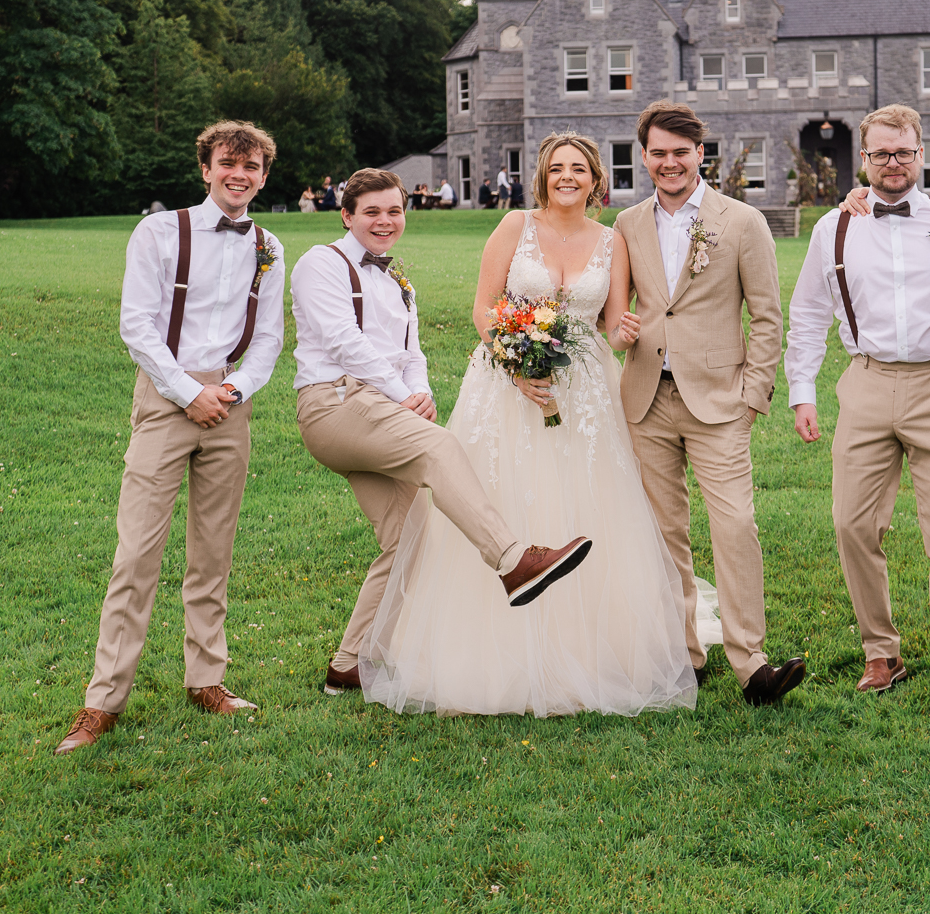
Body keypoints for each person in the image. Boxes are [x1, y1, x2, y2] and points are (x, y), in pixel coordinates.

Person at [343, 144, 694, 716]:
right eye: (556, 168)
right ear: (542, 178)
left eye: (578, 169)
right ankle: (482, 655)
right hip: (505, 383)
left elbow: (611, 329)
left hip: (584, 393)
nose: (566, 177)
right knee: (496, 496)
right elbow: (484, 309)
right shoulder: (514, 225)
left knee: (591, 504)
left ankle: (593, 654)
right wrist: (515, 362)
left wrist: (628, 332)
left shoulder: (613, 241)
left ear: (595, 180)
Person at [295, 169, 596, 704]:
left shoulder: (397, 280)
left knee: (410, 537)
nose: (385, 222)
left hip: (379, 407)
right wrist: (399, 393)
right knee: (441, 448)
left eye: (394, 211)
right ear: (346, 215)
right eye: (372, 212)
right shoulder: (323, 262)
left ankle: (349, 665)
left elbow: (413, 352)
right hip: (336, 403)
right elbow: (343, 340)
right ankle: (512, 560)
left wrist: (420, 392)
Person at [55, 121, 287, 754]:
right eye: (228, 163)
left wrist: (231, 393)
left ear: (264, 176)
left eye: (252, 166)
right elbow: (137, 325)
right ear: (206, 169)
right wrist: (191, 393)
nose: (240, 174)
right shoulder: (159, 231)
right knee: (136, 555)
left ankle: (206, 679)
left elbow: (268, 338)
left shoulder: (269, 245)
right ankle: (102, 701)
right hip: (166, 399)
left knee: (213, 552)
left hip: (230, 405)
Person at [609, 102, 806, 706]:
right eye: (658, 153)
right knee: (664, 533)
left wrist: (753, 396)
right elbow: (618, 309)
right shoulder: (626, 224)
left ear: (701, 154)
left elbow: (768, 315)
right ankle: (684, 655)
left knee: (736, 524)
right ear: (644, 157)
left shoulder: (741, 221)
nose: (670, 163)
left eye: (681, 152)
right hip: (645, 399)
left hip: (721, 401)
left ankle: (752, 664)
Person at [788, 105, 930, 712]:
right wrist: (801, 391)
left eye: (903, 152)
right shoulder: (834, 228)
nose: (892, 163)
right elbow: (809, 314)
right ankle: (883, 653)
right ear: (864, 158)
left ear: (921, 155)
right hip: (866, 384)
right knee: (852, 525)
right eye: (880, 154)